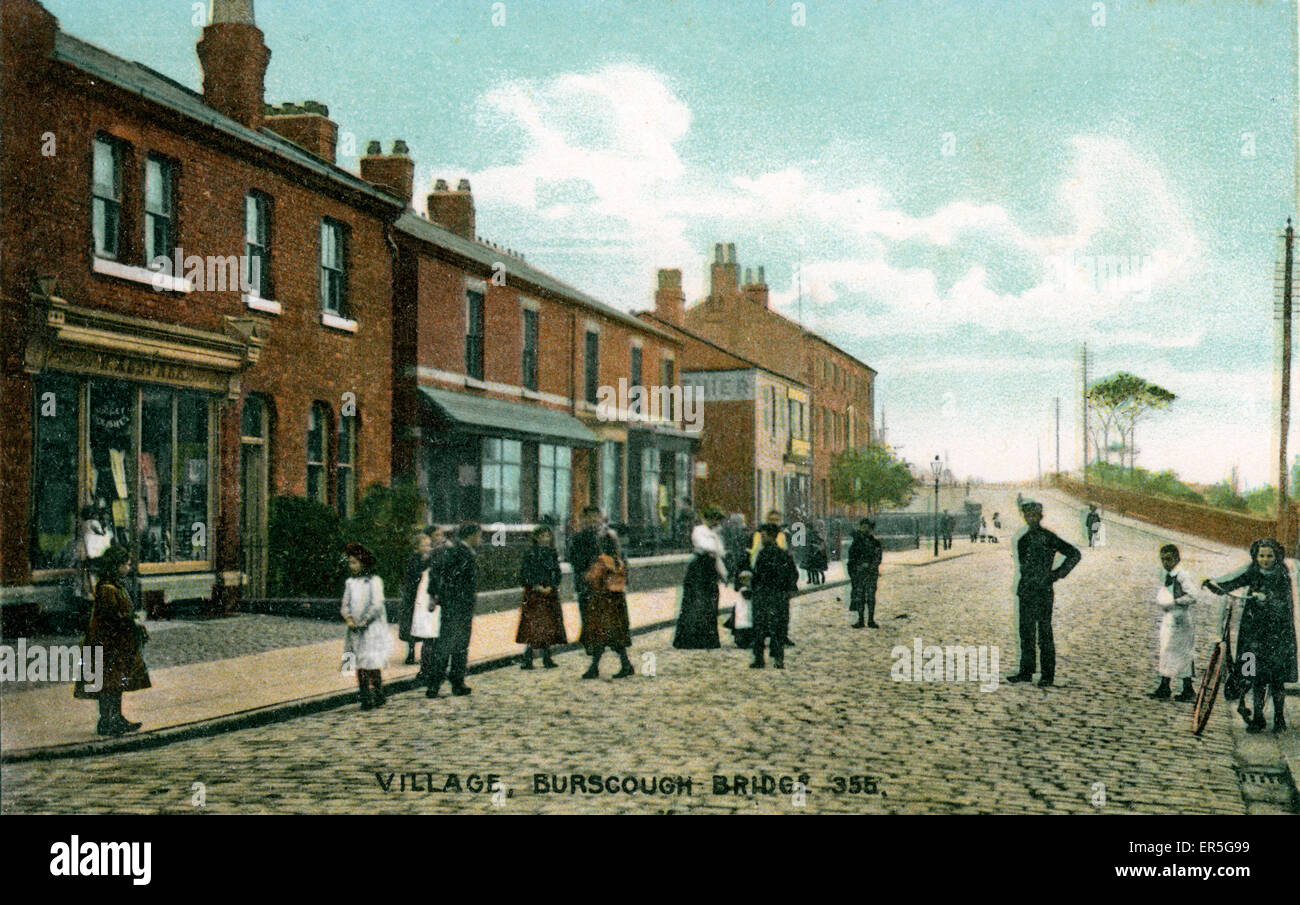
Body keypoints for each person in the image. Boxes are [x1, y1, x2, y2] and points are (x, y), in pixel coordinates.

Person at [1204, 538, 1297, 733]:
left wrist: (1268, 599)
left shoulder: (1282, 576)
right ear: (1255, 557)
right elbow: (1235, 581)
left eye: (1269, 556)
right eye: (1261, 556)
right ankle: (1257, 717)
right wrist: (1217, 585)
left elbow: (1285, 603)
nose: (1265, 559)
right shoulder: (1253, 571)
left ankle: (1279, 717)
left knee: (1275, 678)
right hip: (1253, 633)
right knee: (1255, 675)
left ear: (1277, 557)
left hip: (1276, 635)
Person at [74, 544, 150, 736]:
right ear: (116, 566)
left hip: (114, 644)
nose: (129, 567)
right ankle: (107, 721)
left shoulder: (114, 586)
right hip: (106, 645)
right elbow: (113, 618)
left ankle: (116, 717)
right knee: (108, 684)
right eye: (127, 564)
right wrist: (133, 624)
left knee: (115, 683)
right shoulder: (107, 589)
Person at [1006, 500, 1080, 688]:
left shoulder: (1049, 537)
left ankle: (1047, 675)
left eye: (1034, 515)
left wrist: (1056, 575)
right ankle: (1026, 672)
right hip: (1026, 591)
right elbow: (1023, 566)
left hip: (1043, 591)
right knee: (1026, 631)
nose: (1030, 519)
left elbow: (1074, 554)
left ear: (1040, 516)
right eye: (1027, 515)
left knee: (1044, 632)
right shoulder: (1021, 540)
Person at [426, 523, 480, 698]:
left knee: (458, 644)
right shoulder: (455, 551)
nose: (480, 540)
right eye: (478, 536)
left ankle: (455, 682)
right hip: (456, 604)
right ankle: (437, 683)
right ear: (471, 535)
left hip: (459, 604)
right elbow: (436, 571)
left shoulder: (458, 549)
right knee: (449, 644)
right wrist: (434, 594)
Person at [341, 542, 391, 710]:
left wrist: (365, 621)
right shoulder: (350, 583)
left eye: (354, 562)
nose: (351, 566)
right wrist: (348, 619)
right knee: (358, 662)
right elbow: (345, 604)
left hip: (371, 628)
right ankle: (364, 696)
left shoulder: (374, 581)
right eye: (350, 562)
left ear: (363, 562)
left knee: (371, 660)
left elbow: (376, 604)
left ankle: (378, 692)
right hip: (355, 629)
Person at [581, 532, 634, 679]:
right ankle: (624, 664)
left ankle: (596, 667)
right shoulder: (618, 561)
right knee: (616, 636)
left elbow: (592, 578)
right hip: (617, 603)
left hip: (602, 602)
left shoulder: (601, 561)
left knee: (600, 635)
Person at [1149, 544, 1197, 702]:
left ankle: (1188, 689)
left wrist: (1175, 601)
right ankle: (1164, 686)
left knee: (1182, 652)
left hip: (1181, 617)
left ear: (1177, 559)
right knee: (1166, 650)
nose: (1165, 563)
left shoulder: (1182, 575)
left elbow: (1193, 596)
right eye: (1162, 559)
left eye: (1169, 559)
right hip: (1170, 616)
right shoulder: (1167, 574)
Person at [674, 510, 726, 649]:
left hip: (710, 570)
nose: (715, 523)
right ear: (706, 519)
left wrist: (723, 574)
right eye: (713, 519)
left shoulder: (715, 534)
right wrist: (714, 548)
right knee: (696, 603)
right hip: (698, 569)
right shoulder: (699, 530)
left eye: (717, 520)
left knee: (709, 603)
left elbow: (719, 553)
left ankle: (707, 639)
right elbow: (706, 547)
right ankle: (690, 639)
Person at [750, 523, 799, 669]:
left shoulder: (768, 554)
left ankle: (761, 659)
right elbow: (793, 575)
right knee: (777, 628)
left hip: (767, 596)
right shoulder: (783, 554)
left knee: (761, 628)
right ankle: (777, 659)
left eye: (763, 535)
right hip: (776, 596)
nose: (761, 538)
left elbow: (758, 575)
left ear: (771, 536)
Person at [517, 524, 566, 670]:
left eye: (547, 536)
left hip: (549, 594)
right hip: (534, 593)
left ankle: (546, 657)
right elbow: (525, 574)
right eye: (542, 536)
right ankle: (528, 658)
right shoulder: (530, 553)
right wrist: (535, 586)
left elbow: (557, 572)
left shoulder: (552, 553)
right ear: (536, 537)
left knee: (548, 626)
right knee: (534, 626)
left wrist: (552, 585)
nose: (545, 538)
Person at [748, 510, 796, 646]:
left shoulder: (784, 536)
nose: (774, 522)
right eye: (771, 519)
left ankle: (782, 636)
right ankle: (759, 638)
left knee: (781, 612)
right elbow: (752, 552)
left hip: (779, 577)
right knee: (761, 612)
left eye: (776, 519)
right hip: (761, 573)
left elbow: (788, 555)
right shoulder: (758, 534)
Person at [398, 527, 441, 665]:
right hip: (413, 596)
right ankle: (410, 652)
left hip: (421, 597)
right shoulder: (415, 559)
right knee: (411, 624)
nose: (428, 548)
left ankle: (424, 653)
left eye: (429, 545)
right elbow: (414, 575)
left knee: (422, 624)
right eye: (425, 545)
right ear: (417, 547)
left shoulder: (429, 558)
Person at [567, 505, 604, 641]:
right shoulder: (578, 538)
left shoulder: (605, 536)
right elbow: (572, 557)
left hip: (601, 579)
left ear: (601, 518)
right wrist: (583, 572)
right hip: (583, 577)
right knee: (584, 605)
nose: (592, 520)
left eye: (596, 517)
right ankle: (585, 631)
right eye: (589, 517)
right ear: (584, 519)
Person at [848, 517, 883, 628]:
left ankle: (871, 620)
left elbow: (878, 558)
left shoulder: (875, 543)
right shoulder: (856, 543)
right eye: (863, 527)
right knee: (860, 597)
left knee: (871, 597)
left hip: (871, 574)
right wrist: (858, 567)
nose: (865, 529)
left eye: (867, 527)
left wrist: (870, 566)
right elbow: (851, 558)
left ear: (871, 529)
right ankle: (861, 620)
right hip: (859, 574)